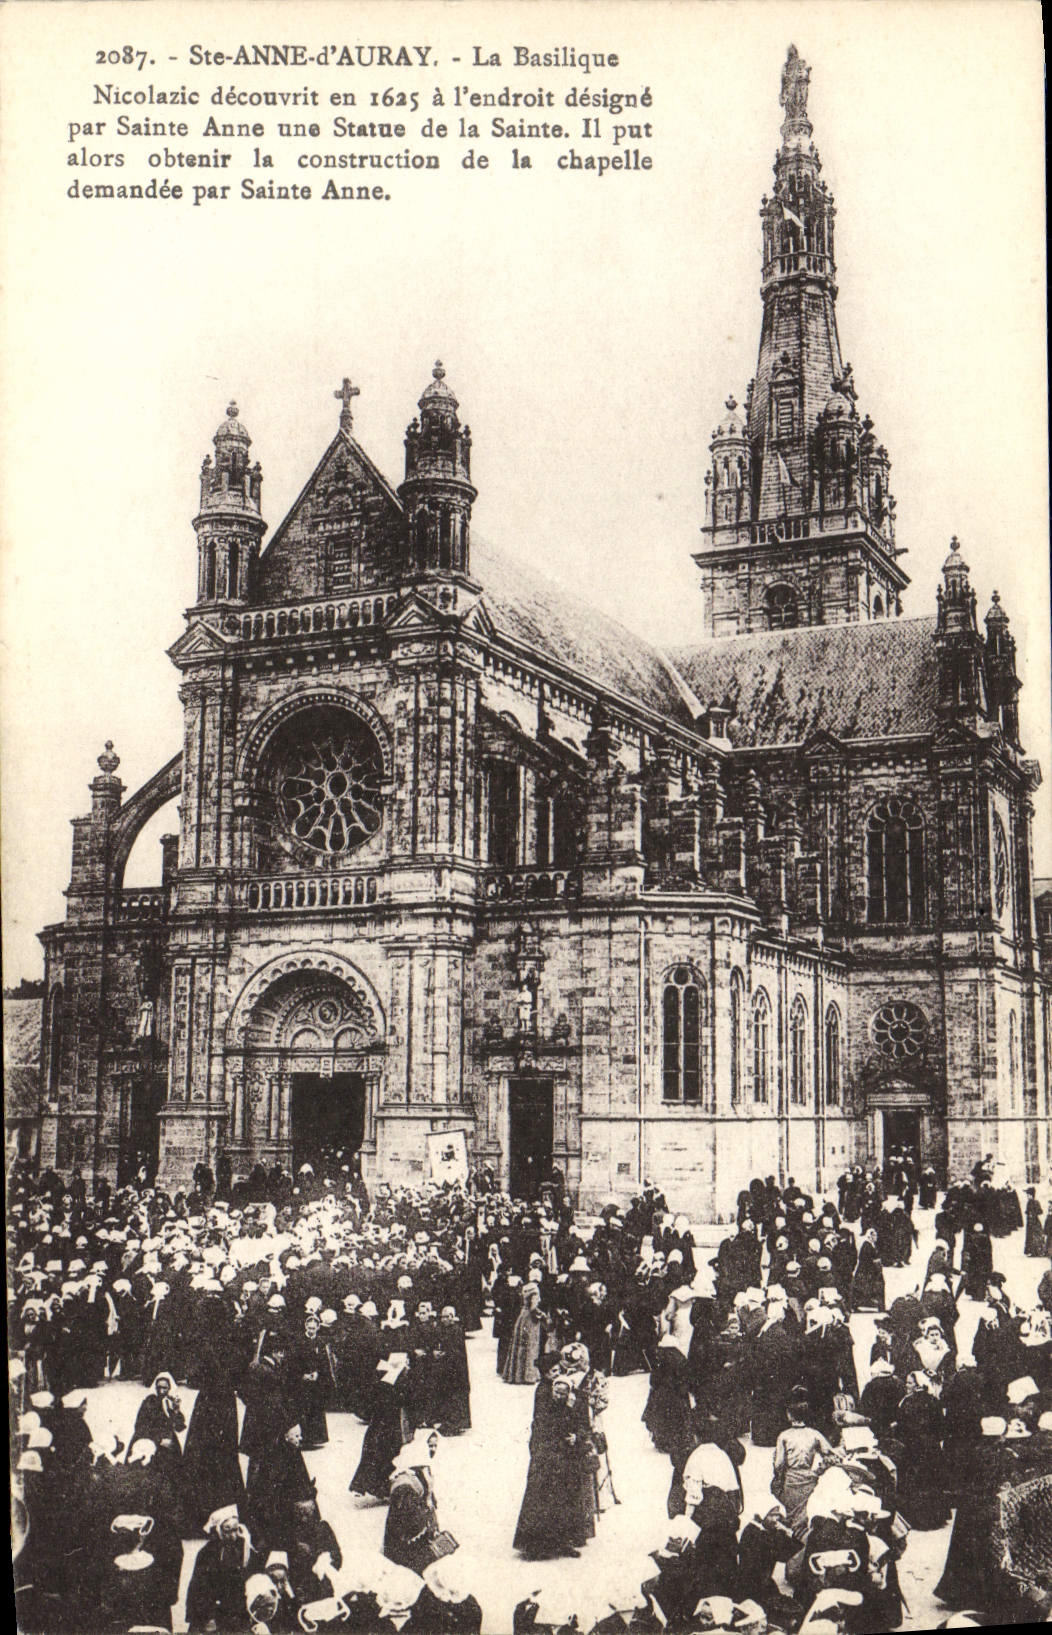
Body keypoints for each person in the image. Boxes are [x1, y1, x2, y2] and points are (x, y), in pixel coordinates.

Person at [513, 1369, 595, 1560]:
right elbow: (542, 1430)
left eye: (562, 1393)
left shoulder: (577, 1405)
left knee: (567, 1503)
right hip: (547, 1462)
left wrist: (578, 1437)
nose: (558, 1396)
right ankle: (537, 1547)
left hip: (568, 1462)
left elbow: (584, 1428)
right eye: (556, 1392)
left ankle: (564, 1543)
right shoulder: (546, 1406)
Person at [770, 1392, 835, 1538]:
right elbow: (831, 1456)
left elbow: (779, 1464)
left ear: (789, 1415)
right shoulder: (814, 1434)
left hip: (791, 1480)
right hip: (809, 1479)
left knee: (792, 1515)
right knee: (805, 1515)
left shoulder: (784, 1436)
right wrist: (819, 1471)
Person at [184, 1504, 254, 1634]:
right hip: (214, 1612)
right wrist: (208, 1617)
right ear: (219, 1530)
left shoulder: (243, 1548)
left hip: (236, 1611)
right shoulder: (207, 1553)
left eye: (235, 1530)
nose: (233, 1536)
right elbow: (200, 1588)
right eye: (228, 1531)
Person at [383, 1432, 442, 1576]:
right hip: (407, 1547)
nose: (433, 1450)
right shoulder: (404, 1485)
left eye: (435, 1446)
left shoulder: (418, 1473)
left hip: (417, 1539)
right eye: (429, 1446)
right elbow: (412, 1521)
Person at [502, 1281, 550, 1384]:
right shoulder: (535, 1290)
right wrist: (542, 1315)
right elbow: (533, 1308)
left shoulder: (526, 1288)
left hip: (522, 1317)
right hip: (531, 1320)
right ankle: (528, 1376)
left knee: (519, 1345)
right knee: (531, 1346)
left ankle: (515, 1375)